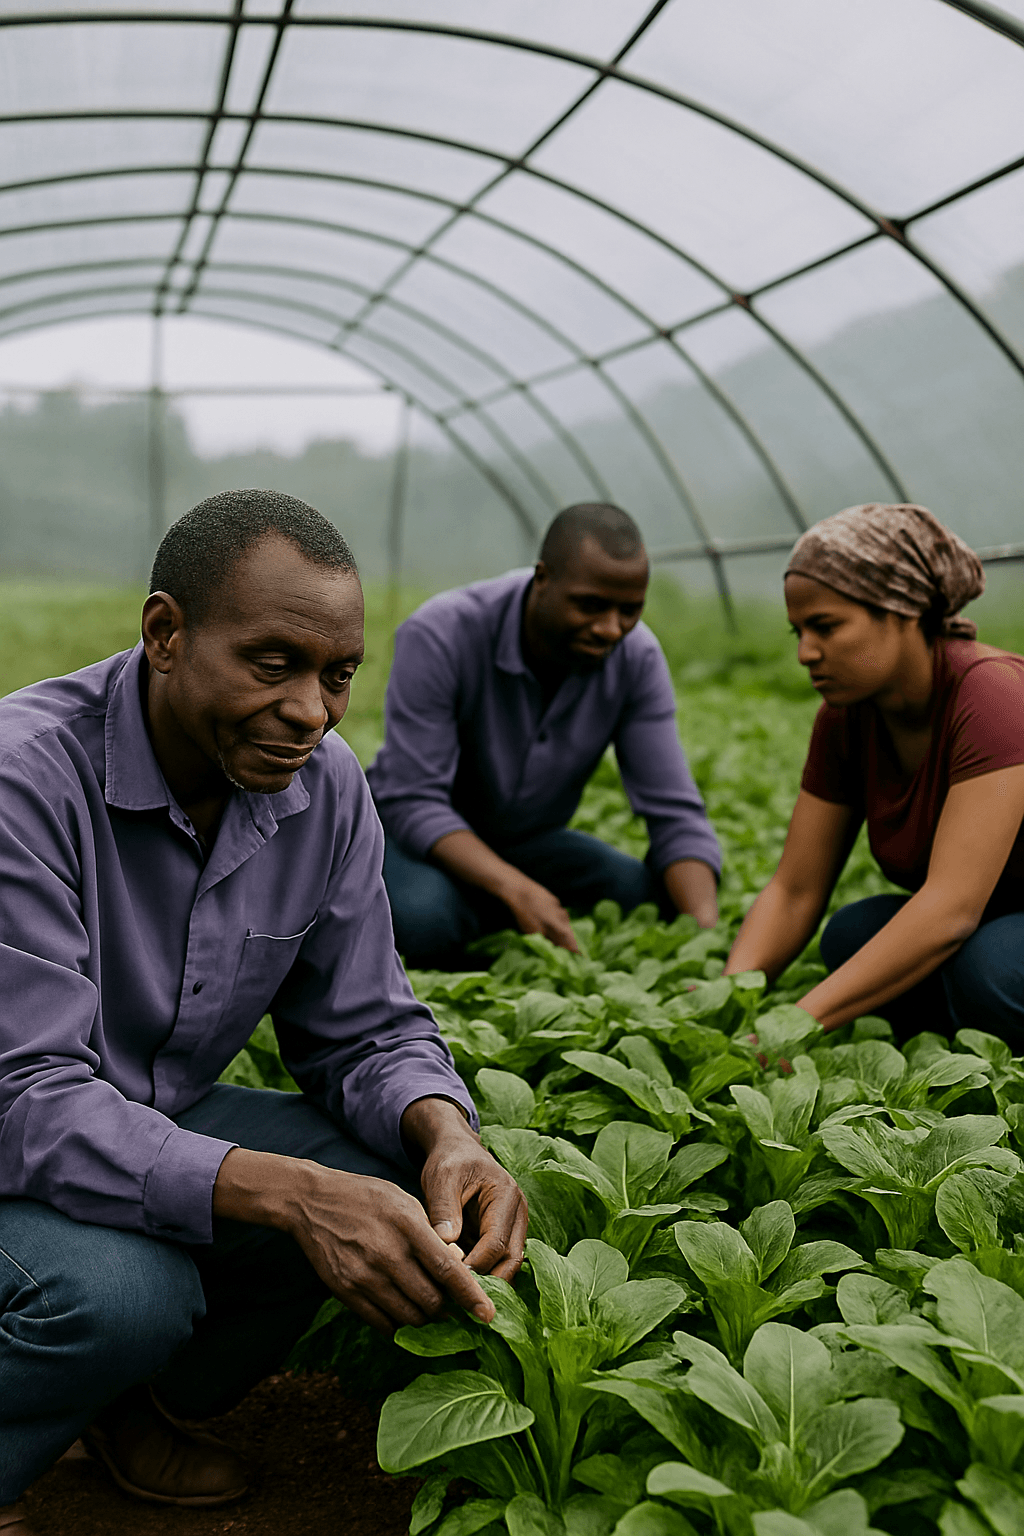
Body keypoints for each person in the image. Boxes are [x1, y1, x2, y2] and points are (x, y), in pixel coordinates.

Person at [0, 491, 526, 1535]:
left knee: (391, 1186)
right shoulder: (24, 778)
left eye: (338, 674)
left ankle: (119, 1406)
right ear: (165, 634)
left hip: (140, 1115)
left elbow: (365, 1026)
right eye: (273, 663)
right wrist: (288, 1193)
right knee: (124, 1295)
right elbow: (27, 1098)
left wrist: (448, 1133)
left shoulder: (325, 788)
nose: (312, 711)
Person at [367, 502, 722, 968]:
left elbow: (674, 810)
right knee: (426, 922)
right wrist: (517, 889)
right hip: (417, 841)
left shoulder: (637, 658)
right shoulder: (441, 634)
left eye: (629, 610)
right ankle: (470, 906)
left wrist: (704, 940)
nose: (610, 628)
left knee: (639, 893)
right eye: (589, 605)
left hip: (526, 841)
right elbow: (414, 800)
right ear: (543, 579)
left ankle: (481, 910)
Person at [724, 502, 1024, 1050]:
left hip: (994, 931)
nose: (805, 653)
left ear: (904, 610)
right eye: (798, 631)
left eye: (826, 627)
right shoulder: (846, 718)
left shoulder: (994, 697)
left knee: (991, 967)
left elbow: (952, 908)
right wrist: (724, 1001)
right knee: (852, 934)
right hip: (993, 919)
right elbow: (795, 889)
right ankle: (967, 1025)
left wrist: (794, 1027)